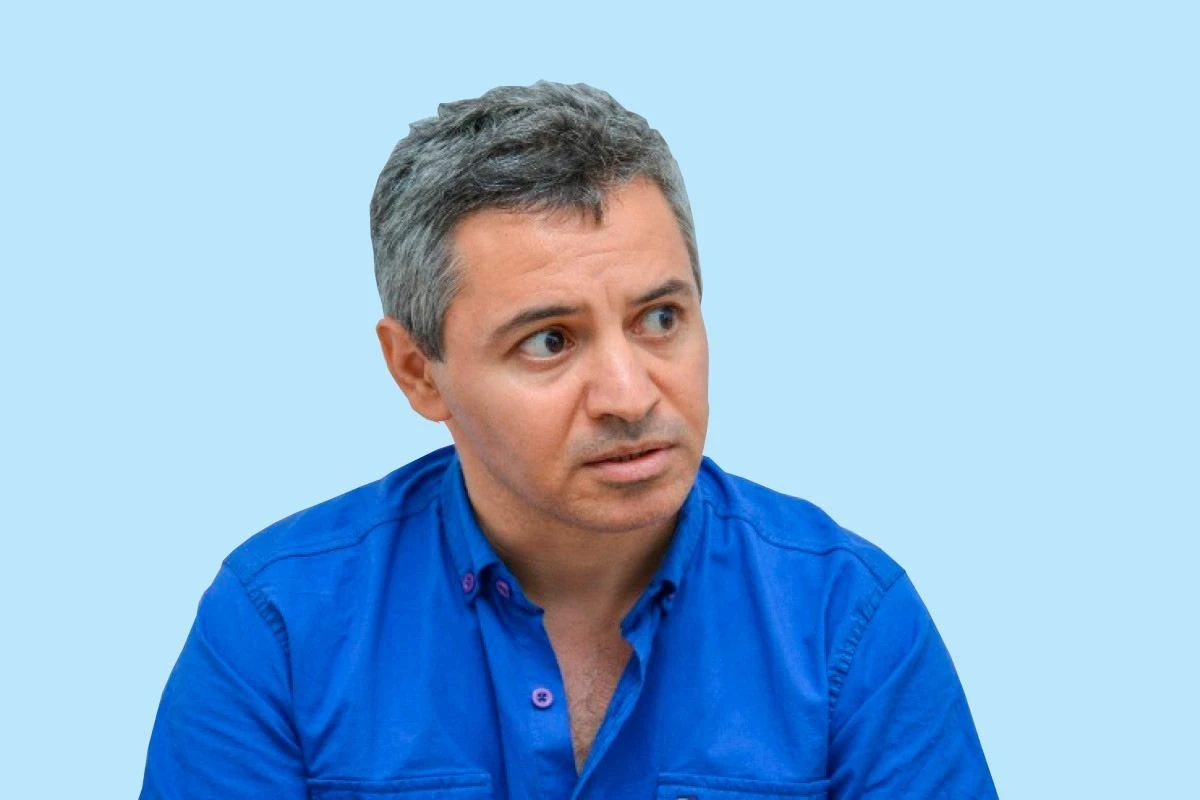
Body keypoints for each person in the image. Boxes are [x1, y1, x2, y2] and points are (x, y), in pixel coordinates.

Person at [140, 81, 997, 799]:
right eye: (550, 341)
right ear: (418, 372)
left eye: (660, 319)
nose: (630, 395)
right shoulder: (280, 627)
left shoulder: (847, 619)